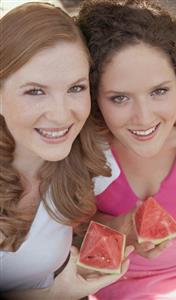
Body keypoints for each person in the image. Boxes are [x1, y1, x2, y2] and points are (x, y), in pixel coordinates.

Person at [0, 2, 133, 299]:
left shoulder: (85, 159)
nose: (62, 116)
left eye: (75, 88)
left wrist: (126, 228)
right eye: (35, 91)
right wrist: (56, 294)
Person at [78, 0, 176, 299]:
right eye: (119, 98)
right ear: (94, 96)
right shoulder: (76, 145)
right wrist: (119, 228)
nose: (144, 118)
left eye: (159, 91)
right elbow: (62, 242)